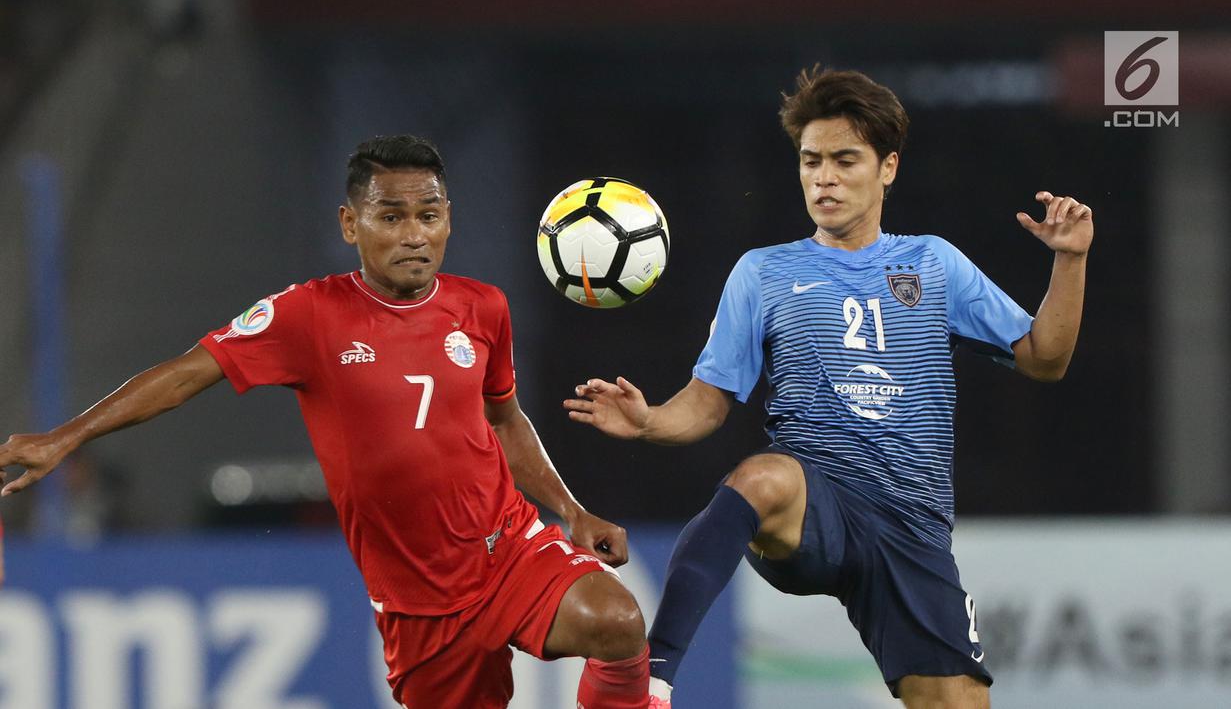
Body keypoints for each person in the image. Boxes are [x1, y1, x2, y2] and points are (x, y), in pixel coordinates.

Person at [0, 135, 651, 709]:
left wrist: (569, 510)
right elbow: (182, 376)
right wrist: (67, 436)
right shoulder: (307, 315)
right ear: (350, 223)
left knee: (617, 621)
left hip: (505, 549)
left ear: (448, 218)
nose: (413, 234)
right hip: (418, 605)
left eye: (428, 215)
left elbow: (504, 420)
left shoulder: (482, 308)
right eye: (390, 216)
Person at [565, 66, 1092, 709]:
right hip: (816, 505)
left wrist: (1070, 259)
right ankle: (650, 681)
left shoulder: (933, 262)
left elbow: (1045, 358)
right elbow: (709, 402)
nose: (824, 177)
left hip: (912, 526)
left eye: (845, 160)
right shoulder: (763, 273)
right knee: (760, 476)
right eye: (811, 161)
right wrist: (648, 421)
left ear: (888, 167)